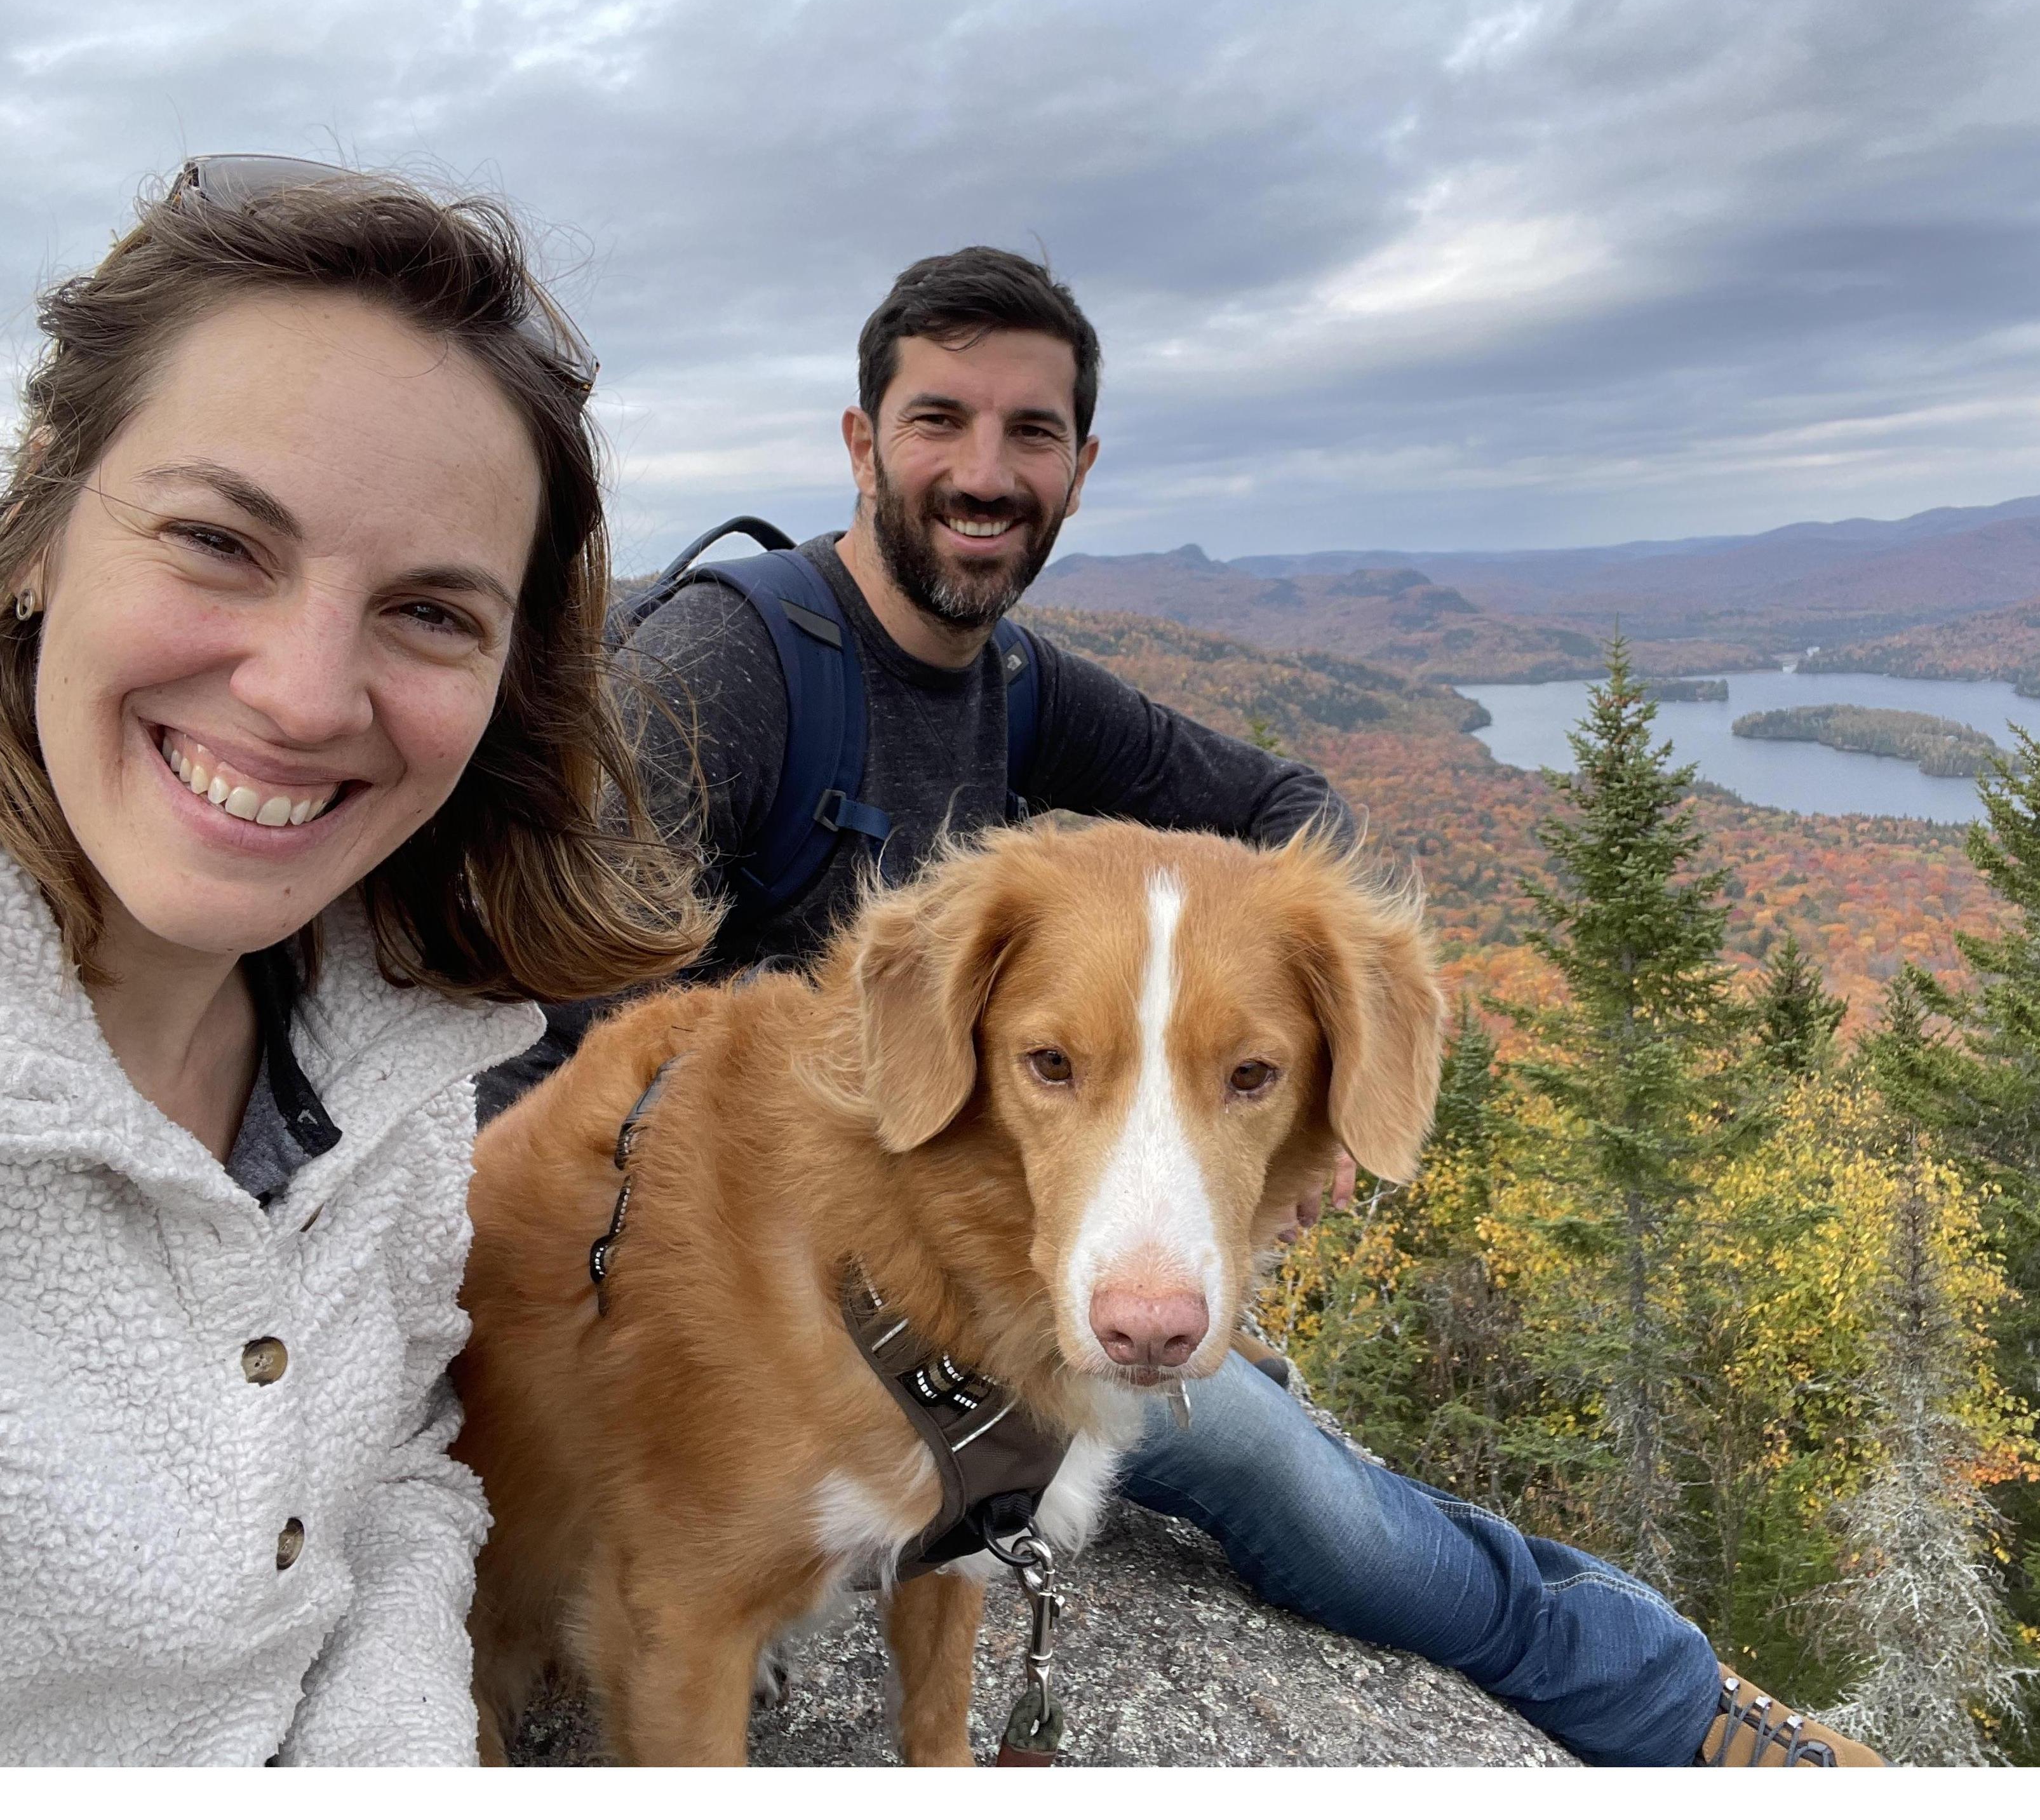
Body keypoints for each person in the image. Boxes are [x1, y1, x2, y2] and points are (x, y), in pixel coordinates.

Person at [485, 245, 1879, 1769]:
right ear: (861, 440)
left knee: (1324, 1497)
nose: (983, 471)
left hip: (1032, 1263)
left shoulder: (1013, 679)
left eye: (1031, 434)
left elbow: (1285, 809)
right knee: (1303, 1494)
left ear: (1079, 470)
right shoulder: (734, 663)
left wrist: (1299, 1071)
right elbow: (541, 987)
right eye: (939, 419)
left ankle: (1665, 1701)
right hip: (793, 1279)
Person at [0, 158, 708, 1765]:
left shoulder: (388, 1030)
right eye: (217, 539)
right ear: (42, 518)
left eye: (430, 613)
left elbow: (387, 1467)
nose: (310, 697)